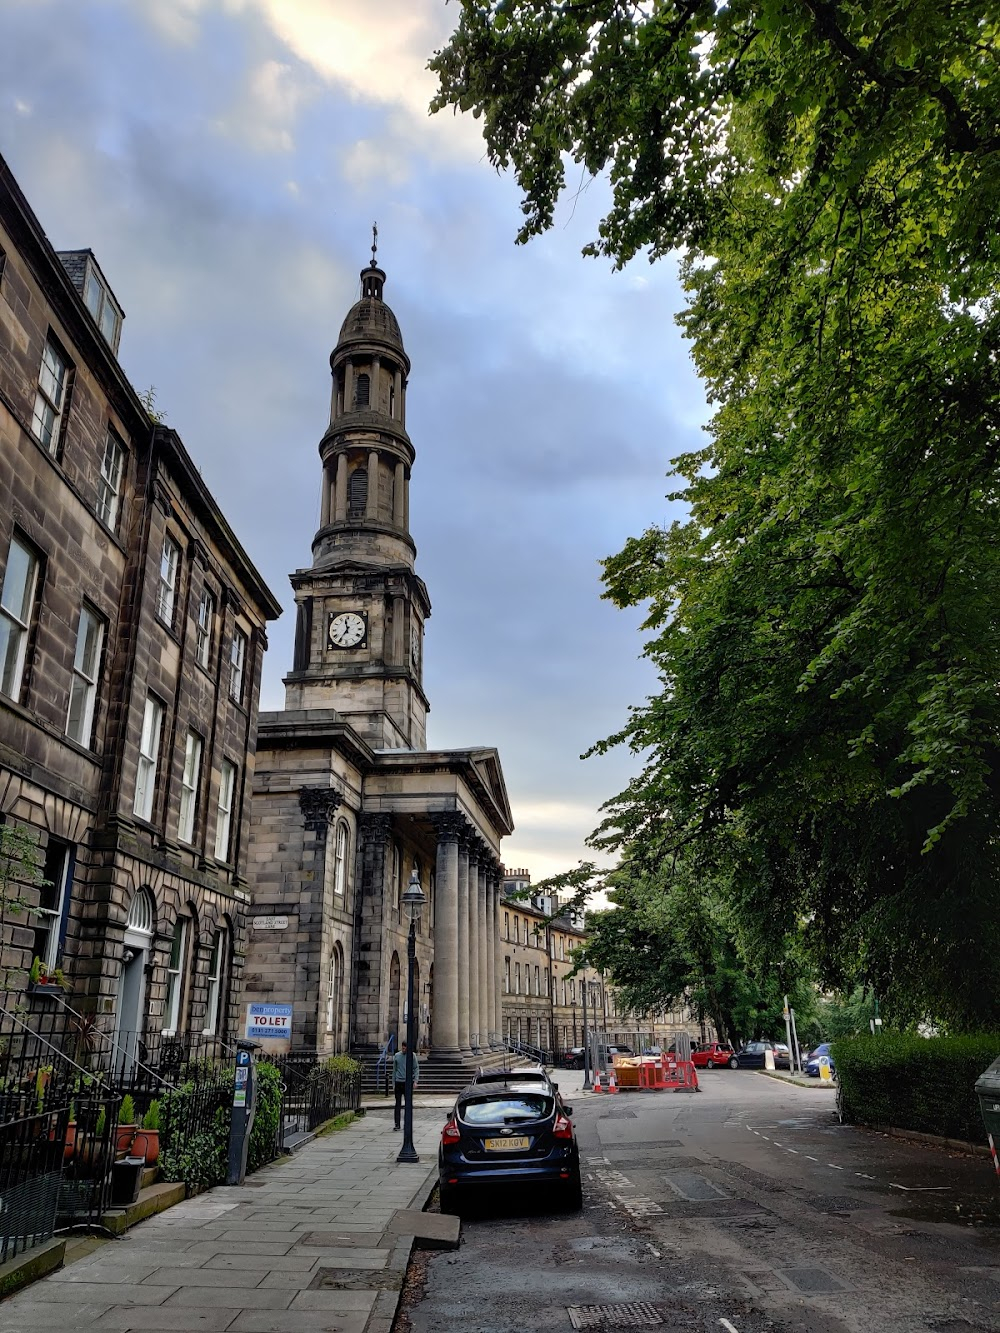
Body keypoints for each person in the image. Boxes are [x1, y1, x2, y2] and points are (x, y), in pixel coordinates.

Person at [393, 1040, 419, 1130]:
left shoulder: (412, 1056)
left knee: (408, 1104)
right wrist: (393, 1083)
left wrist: (415, 1081)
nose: (404, 1049)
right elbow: (394, 1070)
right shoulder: (397, 1056)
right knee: (397, 1104)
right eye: (403, 1048)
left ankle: (407, 1123)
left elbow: (416, 1068)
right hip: (398, 1082)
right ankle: (397, 1124)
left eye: (405, 1048)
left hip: (408, 1082)